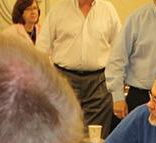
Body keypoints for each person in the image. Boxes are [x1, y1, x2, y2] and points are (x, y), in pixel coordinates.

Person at [38, 0, 120, 132]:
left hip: (98, 82)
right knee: (63, 132)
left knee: (95, 136)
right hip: (64, 79)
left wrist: (116, 89)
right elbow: (41, 49)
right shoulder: (58, 11)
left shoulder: (108, 10)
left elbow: (118, 50)